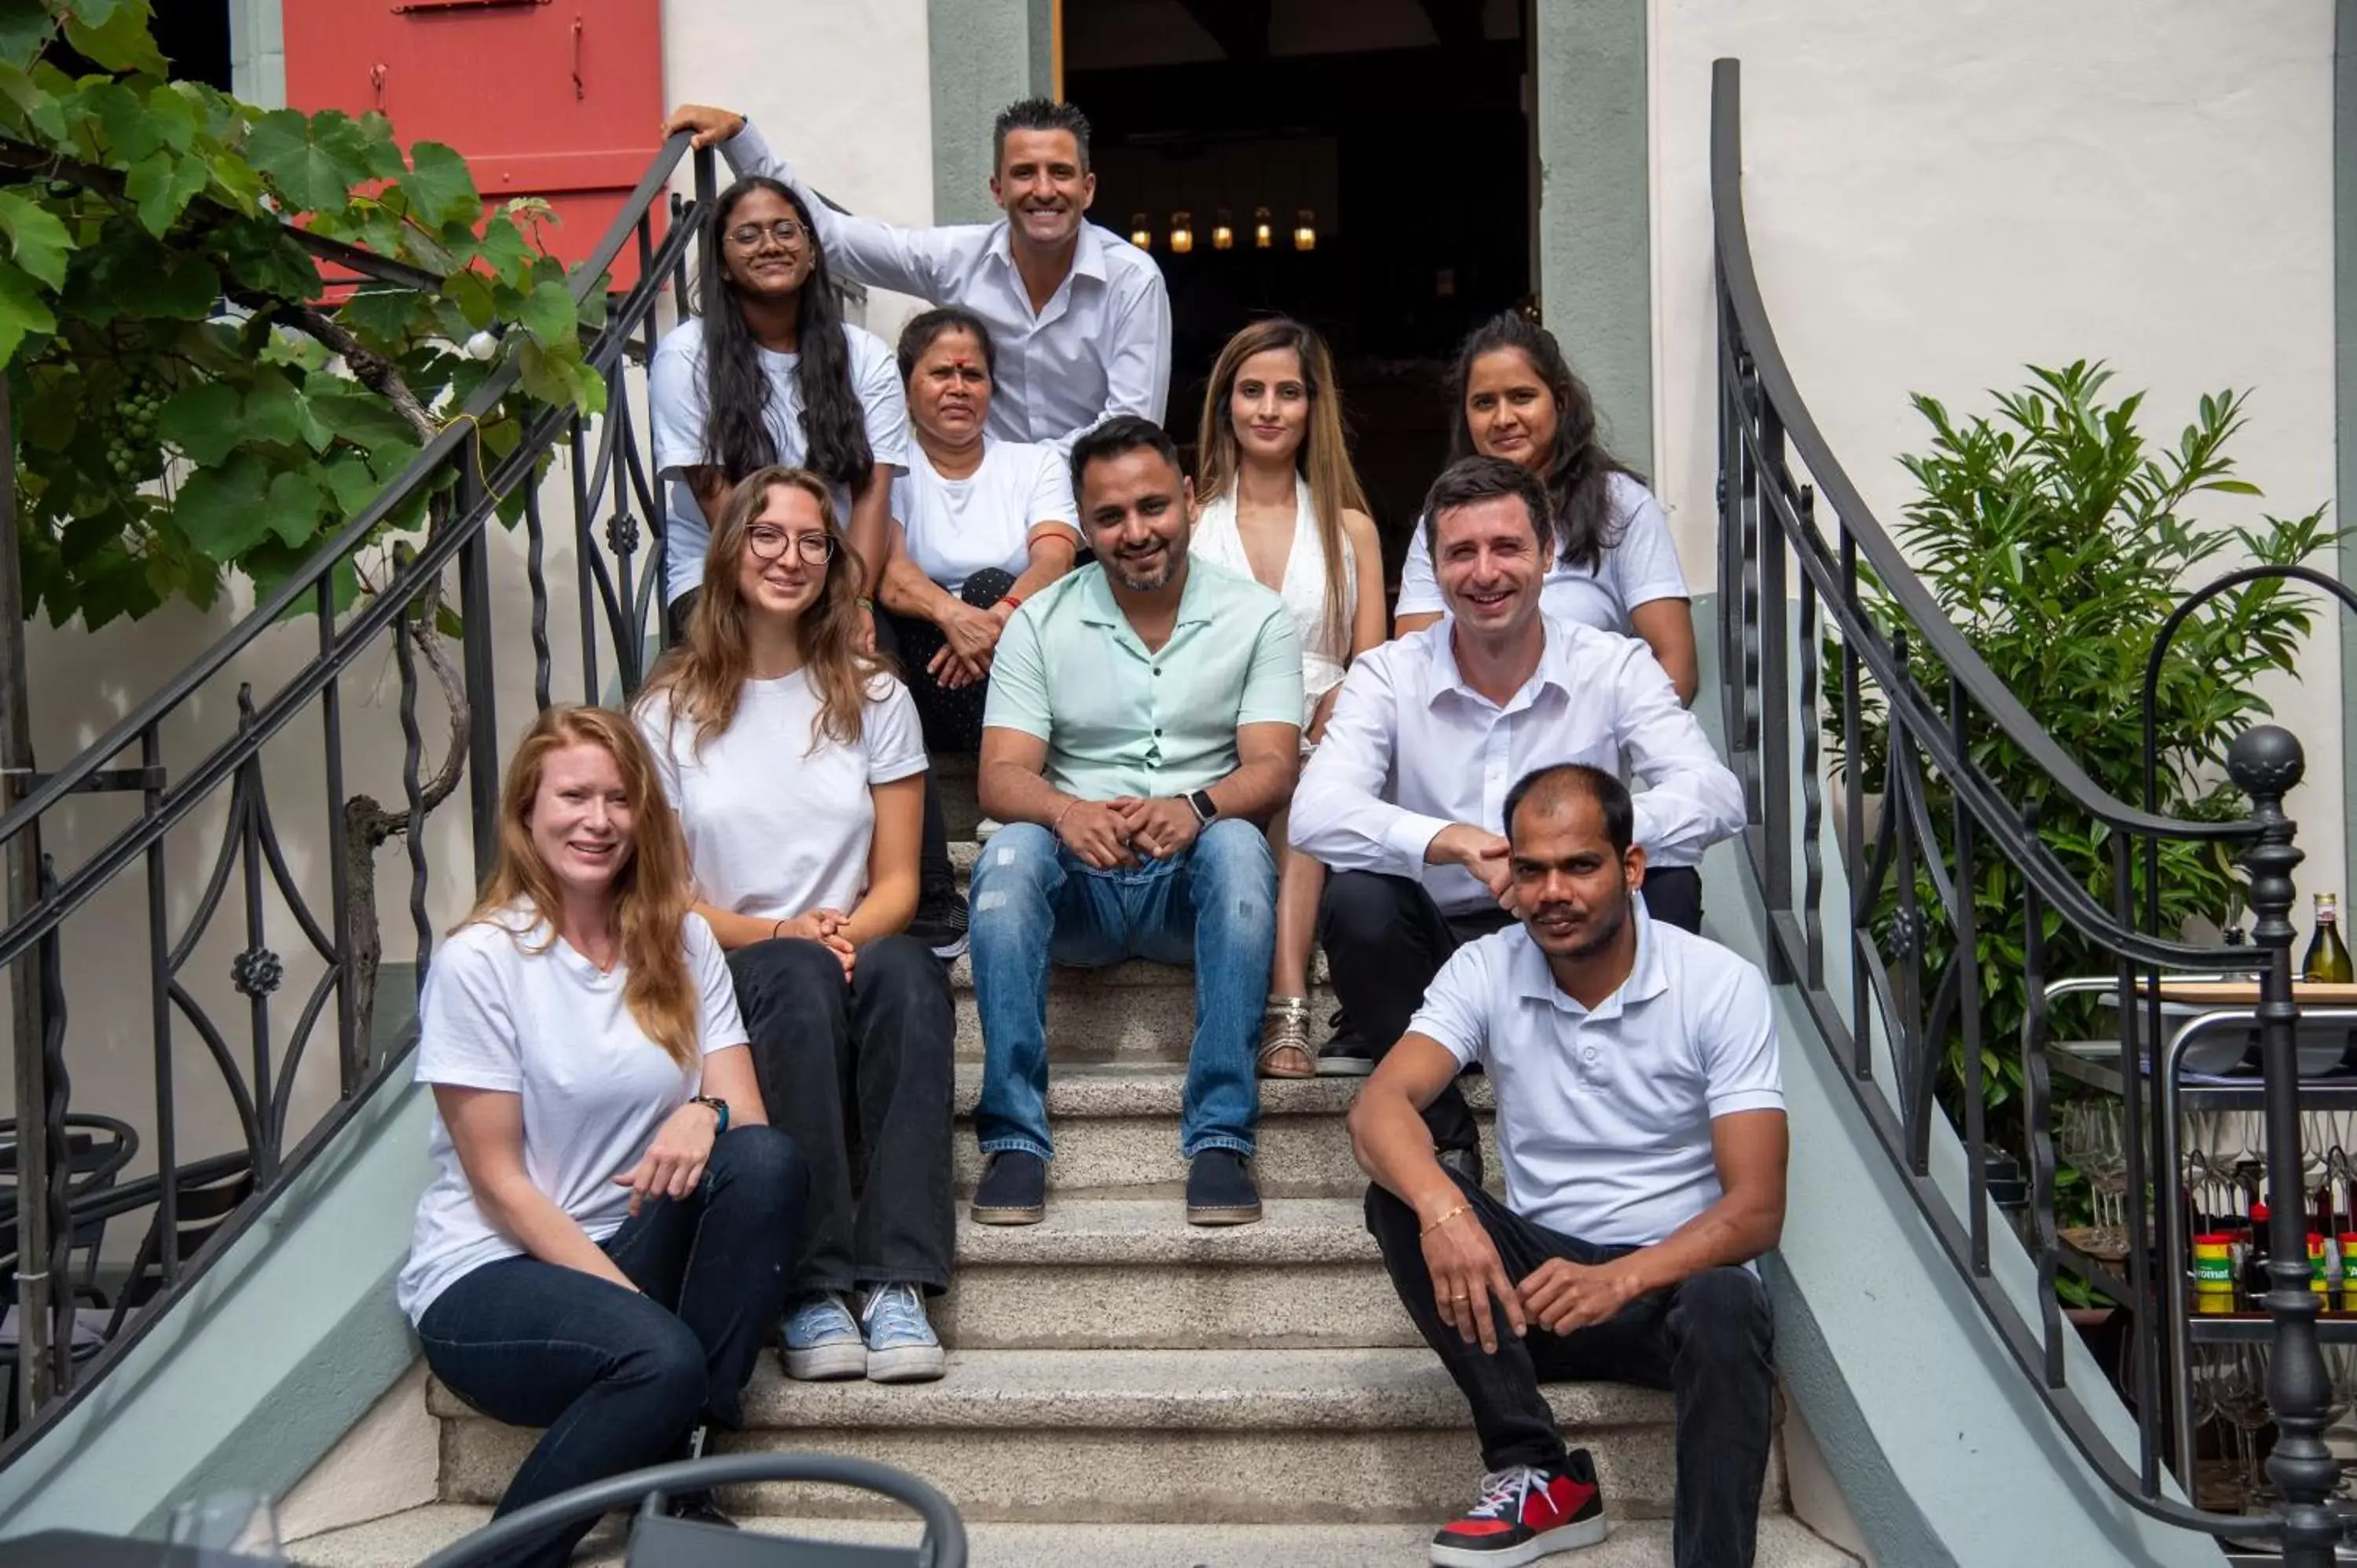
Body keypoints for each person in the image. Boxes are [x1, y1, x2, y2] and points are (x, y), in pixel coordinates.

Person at [395, 705, 807, 1567]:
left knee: (768, 1163)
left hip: (631, 1234)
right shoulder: (482, 961)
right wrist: (640, 1314)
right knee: (660, 1359)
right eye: (574, 796)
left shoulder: (682, 938)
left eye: (620, 798)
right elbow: (501, 1186)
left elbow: (748, 1124)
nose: (599, 820)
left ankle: (675, 1481)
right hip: (494, 1272)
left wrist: (709, 1111)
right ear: (527, 812)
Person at [1348, 763, 1785, 1568]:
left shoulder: (1717, 985)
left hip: (1668, 1300)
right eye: (1532, 868)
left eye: (1580, 865)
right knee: (1401, 1197)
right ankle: (1538, 1472)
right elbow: (1379, 1107)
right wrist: (1447, 1212)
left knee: (1729, 1299)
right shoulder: (1487, 968)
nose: (1554, 891)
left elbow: (1756, 1210)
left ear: (1631, 867)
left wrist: (1623, 1279)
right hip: (1537, 1298)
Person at [1290, 456, 1743, 1116]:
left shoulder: (1612, 664)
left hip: (1573, 930)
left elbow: (1716, 794)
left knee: (1669, 877)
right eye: (1461, 553)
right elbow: (1315, 814)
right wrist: (1450, 842)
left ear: (1548, 553)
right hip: (1435, 949)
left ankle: (1625, 1108)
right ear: (1435, 567)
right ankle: (1442, 1135)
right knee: (1358, 899)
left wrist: (1561, 851)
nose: (1484, 573)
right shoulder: (1387, 675)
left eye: (1507, 547)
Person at [635, 466, 956, 1385]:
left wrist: (845, 933)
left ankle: (897, 1281)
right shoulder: (668, 710)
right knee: (801, 978)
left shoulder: (876, 697)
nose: (791, 557)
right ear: (732, 548)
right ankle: (812, 1286)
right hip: (738, 956)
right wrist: (785, 938)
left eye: (814, 541)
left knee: (908, 974)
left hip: (853, 938)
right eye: (769, 536)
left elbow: (899, 878)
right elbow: (666, 899)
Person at [967, 416, 1302, 1228]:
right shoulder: (1041, 624)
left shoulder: (1256, 617)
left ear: (1188, 499)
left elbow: (1273, 764)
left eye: (1154, 506)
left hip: (1185, 892)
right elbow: (998, 775)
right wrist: (1064, 810)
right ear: (1084, 526)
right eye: (1111, 516)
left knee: (1238, 847)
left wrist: (1194, 808)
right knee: (1008, 858)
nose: (1136, 531)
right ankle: (1015, 1136)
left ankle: (1220, 1135)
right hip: (1080, 886)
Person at [649, 174, 970, 958]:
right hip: (721, 574)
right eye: (749, 233)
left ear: (813, 246)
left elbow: (873, 488)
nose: (771, 244)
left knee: (882, 663)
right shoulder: (688, 355)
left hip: (836, 567)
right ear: (722, 261)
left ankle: (921, 894)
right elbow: (724, 509)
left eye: (788, 229)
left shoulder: (859, 355)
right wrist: (792, 576)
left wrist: (850, 596)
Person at [664, 97, 1170, 456]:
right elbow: (832, 238)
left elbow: (1132, 424)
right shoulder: (957, 257)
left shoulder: (1132, 280)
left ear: (1089, 187)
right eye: (1023, 173)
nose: (1043, 190)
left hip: (1092, 496)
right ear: (997, 188)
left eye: (1060, 172)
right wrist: (741, 137)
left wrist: (1028, 475)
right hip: (981, 503)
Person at [1189, 317, 1384, 1079]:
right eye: (1252, 391)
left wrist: (1335, 709)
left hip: (1321, 726)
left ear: (1313, 407)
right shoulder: (1193, 519)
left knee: (1309, 783)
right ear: (1225, 404)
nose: (1269, 409)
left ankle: (1287, 1008)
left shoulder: (1351, 526)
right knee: (1265, 771)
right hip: (1212, 725)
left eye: (1289, 392)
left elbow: (1370, 663)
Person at [1393, 314, 1697, 709]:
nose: (1503, 419)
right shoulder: (1447, 518)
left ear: (1560, 402)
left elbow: (1676, 661)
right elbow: (1412, 659)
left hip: (1585, 752)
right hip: (1464, 745)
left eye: (1521, 397)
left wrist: (1614, 748)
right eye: (1485, 403)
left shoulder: (1621, 504)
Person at [877, 306, 1082, 753]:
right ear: (908, 388)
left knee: (990, 585)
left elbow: (1056, 559)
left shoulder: (1036, 464)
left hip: (1020, 652)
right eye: (940, 373)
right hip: (927, 660)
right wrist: (954, 619)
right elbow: (891, 576)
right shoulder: (888, 470)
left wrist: (997, 618)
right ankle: (1009, 767)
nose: (958, 388)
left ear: (991, 387)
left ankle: (1004, 762)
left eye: (972, 374)